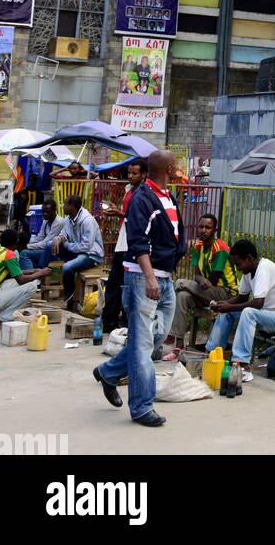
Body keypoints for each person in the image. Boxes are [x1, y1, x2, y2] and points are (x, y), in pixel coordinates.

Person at [93, 150, 185, 428]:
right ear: (168, 168)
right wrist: (149, 277)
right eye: (177, 165)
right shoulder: (143, 199)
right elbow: (138, 241)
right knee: (143, 345)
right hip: (144, 279)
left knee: (155, 337)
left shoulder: (167, 196)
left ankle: (108, 373)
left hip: (164, 278)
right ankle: (142, 406)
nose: (179, 169)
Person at [205, 239, 275, 383]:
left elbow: (258, 303)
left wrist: (229, 306)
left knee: (248, 312)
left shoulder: (264, 268)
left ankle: (242, 365)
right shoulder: (248, 272)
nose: (238, 268)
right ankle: (212, 355)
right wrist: (222, 305)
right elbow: (241, 297)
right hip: (267, 315)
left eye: (238, 264)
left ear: (249, 258)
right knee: (227, 312)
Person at [167, 212, 238, 353]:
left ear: (214, 230)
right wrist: (200, 279)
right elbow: (197, 275)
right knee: (182, 297)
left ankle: (169, 331)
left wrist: (200, 280)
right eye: (201, 227)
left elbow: (212, 281)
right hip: (206, 293)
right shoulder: (198, 246)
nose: (203, 230)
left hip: (225, 294)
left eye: (208, 227)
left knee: (180, 283)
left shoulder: (220, 249)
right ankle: (178, 344)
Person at [101, 160, 148, 333]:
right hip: (123, 240)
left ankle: (126, 322)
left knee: (129, 285)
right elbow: (128, 215)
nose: (130, 176)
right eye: (129, 173)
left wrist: (119, 213)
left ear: (143, 175)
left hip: (133, 244)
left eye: (134, 173)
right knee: (114, 283)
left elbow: (138, 217)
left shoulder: (143, 193)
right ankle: (110, 322)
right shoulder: (129, 190)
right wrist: (118, 211)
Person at [53, 194, 106, 310]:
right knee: (50, 246)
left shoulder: (87, 221)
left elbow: (86, 247)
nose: (63, 206)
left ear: (72, 206)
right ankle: (44, 273)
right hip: (77, 251)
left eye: (65, 204)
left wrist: (65, 244)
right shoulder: (68, 219)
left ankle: (69, 298)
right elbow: (64, 233)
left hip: (91, 255)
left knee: (67, 267)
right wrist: (58, 239)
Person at [0, 229, 49, 321]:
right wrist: (40, 273)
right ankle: (4, 317)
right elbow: (21, 279)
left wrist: (33, 271)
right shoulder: (9, 255)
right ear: (16, 243)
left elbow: (16, 273)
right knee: (31, 286)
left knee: (12, 281)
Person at [18, 196, 63, 270]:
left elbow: (46, 243)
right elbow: (39, 237)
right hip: (45, 250)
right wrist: (28, 244)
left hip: (54, 253)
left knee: (24, 253)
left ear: (55, 210)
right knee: (24, 251)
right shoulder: (46, 221)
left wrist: (28, 246)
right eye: (43, 212)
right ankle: (34, 274)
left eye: (47, 212)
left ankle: (32, 277)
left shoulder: (59, 222)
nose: (44, 214)